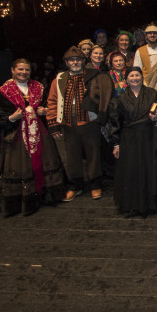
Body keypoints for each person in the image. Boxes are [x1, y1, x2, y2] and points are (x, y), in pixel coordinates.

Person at [0, 58, 67, 215]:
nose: (23, 73)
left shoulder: (38, 87)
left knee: (45, 163)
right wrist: (11, 118)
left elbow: (47, 107)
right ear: (12, 71)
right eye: (20, 70)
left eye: (27, 70)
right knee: (21, 166)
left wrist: (43, 112)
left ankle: (45, 196)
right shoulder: (4, 91)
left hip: (39, 133)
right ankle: (22, 200)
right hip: (16, 137)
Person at [46, 46, 113, 201]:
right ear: (66, 62)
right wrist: (53, 124)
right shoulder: (59, 80)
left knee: (93, 154)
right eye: (71, 60)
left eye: (78, 60)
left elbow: (104, 96)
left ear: (84, 61)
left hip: (90, 122)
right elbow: (52, 102)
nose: (75, 62)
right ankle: (75, 185)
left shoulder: (93, 76)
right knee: (72, 156)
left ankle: (95, 184)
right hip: (69, 124)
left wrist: (101, 116)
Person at [107, 67, 157, 217]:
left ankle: (150, 203)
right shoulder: (120, 99)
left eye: (137, 75)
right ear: (126, 80)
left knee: (149, 168)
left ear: (142, 77)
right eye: (131, 76)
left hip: (148, 137)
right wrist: (116, 144)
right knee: (131, 170)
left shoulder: (153, 94)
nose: (134, 78)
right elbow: (115, 122)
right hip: (129, 139)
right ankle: (131, 203)